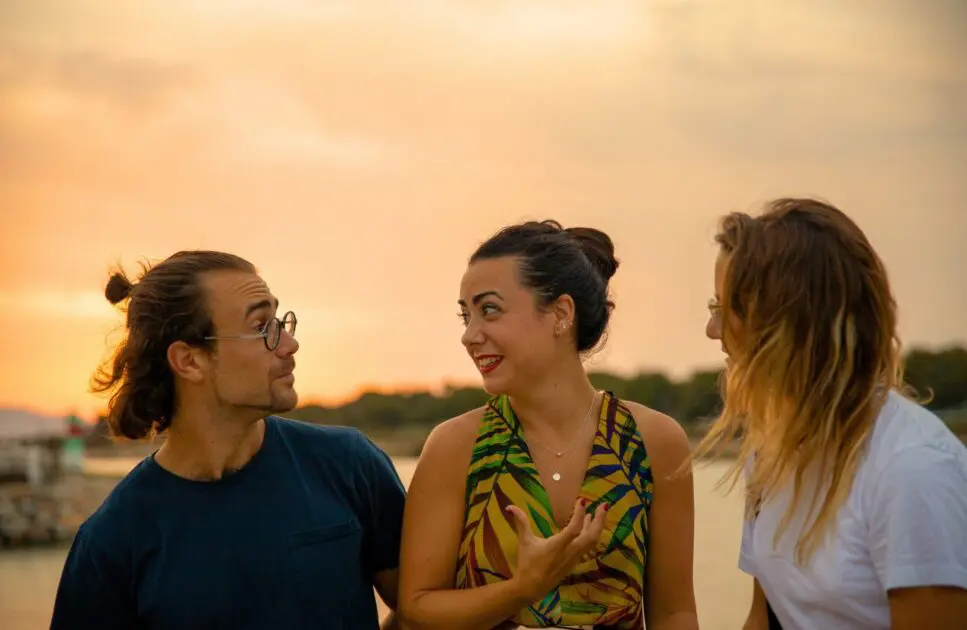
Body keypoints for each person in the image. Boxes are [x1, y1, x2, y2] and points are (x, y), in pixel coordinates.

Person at [50, 250, 406, 630]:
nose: (289, 344)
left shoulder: (348, 464)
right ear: (189, 361)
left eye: (281, 322)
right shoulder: (113, 540)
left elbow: (425, 612)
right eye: (261, 327)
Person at [398, 221, 698, 629]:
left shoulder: (654, 442)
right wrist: (523, 589)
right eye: (465, 316)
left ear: (560, 313)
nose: (470, 335)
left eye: (489, 310)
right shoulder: (455, 447)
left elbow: (675, 613)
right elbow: (417, 607)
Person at [699, 198, 967, 629]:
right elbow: (763, 619)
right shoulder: (771, 452)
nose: (712, 331)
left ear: (784, 326)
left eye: (723, 309)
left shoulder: (913, 469)